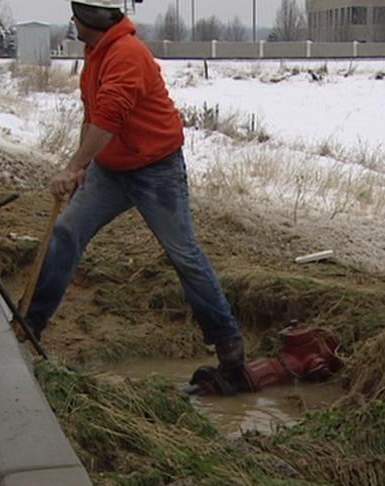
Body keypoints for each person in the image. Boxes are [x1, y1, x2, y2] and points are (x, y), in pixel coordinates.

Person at [23, 0, 248, 393]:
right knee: (66, 233)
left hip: (155, 170)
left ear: (89, 19)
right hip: (110, 170)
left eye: (76, 16)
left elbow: (109, 119)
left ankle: (230, 351)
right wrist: (83, 168)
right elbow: (92, 117)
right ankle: (30, 325)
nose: (72, 22)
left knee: (184, 254)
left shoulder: (127, 54)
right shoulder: (96, 52)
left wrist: (73, 166)